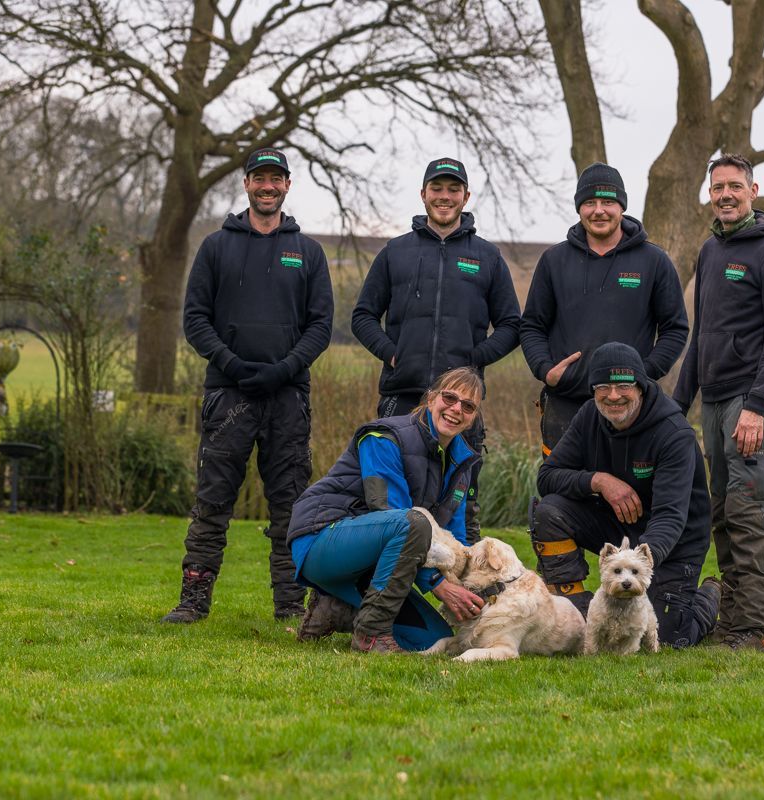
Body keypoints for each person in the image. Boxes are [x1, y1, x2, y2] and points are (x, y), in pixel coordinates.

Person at [162, 147, 334, 624]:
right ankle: (193, 600)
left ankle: (289, 604)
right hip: (228, 394)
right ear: (246, 184)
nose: (267, 186)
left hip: (288, 397)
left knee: (291, 505)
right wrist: (232, 363)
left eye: (275, 179)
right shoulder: (217, 247)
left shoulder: (309, 252)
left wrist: (284, 369)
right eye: (259, 178)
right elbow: (195, 319)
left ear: (287, 185)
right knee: (212, 500)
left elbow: (321, 326)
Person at [351, 156, 520, 541]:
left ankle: (463, 599)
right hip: (402, 397)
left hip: (459, 406)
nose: (445, 197)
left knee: (461, 509)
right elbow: (362, 316)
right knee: (387, 506)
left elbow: (512, 325)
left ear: (466, 196)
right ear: (424, 194)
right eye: (437, 189)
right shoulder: (396, 252)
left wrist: (473, 361)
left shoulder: (487, 257)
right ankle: (384, 595)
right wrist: (393, 353)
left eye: (453, 189)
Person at [672, 153, 764, 652]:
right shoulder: (710, 251)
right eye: (717, 187)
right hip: (715, 401)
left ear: (753, 190)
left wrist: (756, 406)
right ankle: (730, 620)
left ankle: (754, 629)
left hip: (749, 401)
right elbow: (700, 338)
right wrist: (674, 408)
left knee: (749, 511)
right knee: (721, 510)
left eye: (734, 187)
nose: (725, 194)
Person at [529, 342, 720, 647]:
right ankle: (577, 609)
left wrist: (640, 561)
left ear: (641, 387)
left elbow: (671, 516)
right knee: (549, 511)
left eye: (623, 386)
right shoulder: (589, 416)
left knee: (668, 638)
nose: (613, 396)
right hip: (618, 528)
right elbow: (547, 477)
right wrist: (599, 481)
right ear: (593, 390)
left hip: (675, 541)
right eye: (603, 386)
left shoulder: (674, 434)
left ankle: (709, 597)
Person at [287, 367, 488, 653]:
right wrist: (436, 584)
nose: (456, 409)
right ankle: (371, 633)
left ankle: (336, 607)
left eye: (468, 406)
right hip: (322, 538)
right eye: (449, 397)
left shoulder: (462, 463)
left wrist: (471, 592)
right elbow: (392, 515)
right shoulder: (384, 436)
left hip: (381, 559)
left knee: (436, 640)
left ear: (473, 418)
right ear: (431, 398)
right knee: (413, 522)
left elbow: (455, 541)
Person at [520, 162, 688, 456]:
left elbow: (675, 329)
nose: (599, 210)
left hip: (629, 406)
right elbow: (532, 325)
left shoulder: (653, 261)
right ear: (579, 208)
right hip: (566, 404)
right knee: (562, 492)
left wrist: (641, 374)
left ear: (621, 206)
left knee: (627, 497)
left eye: (608, 202)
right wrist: (546, 371)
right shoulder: (554, 260)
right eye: (589, 202)